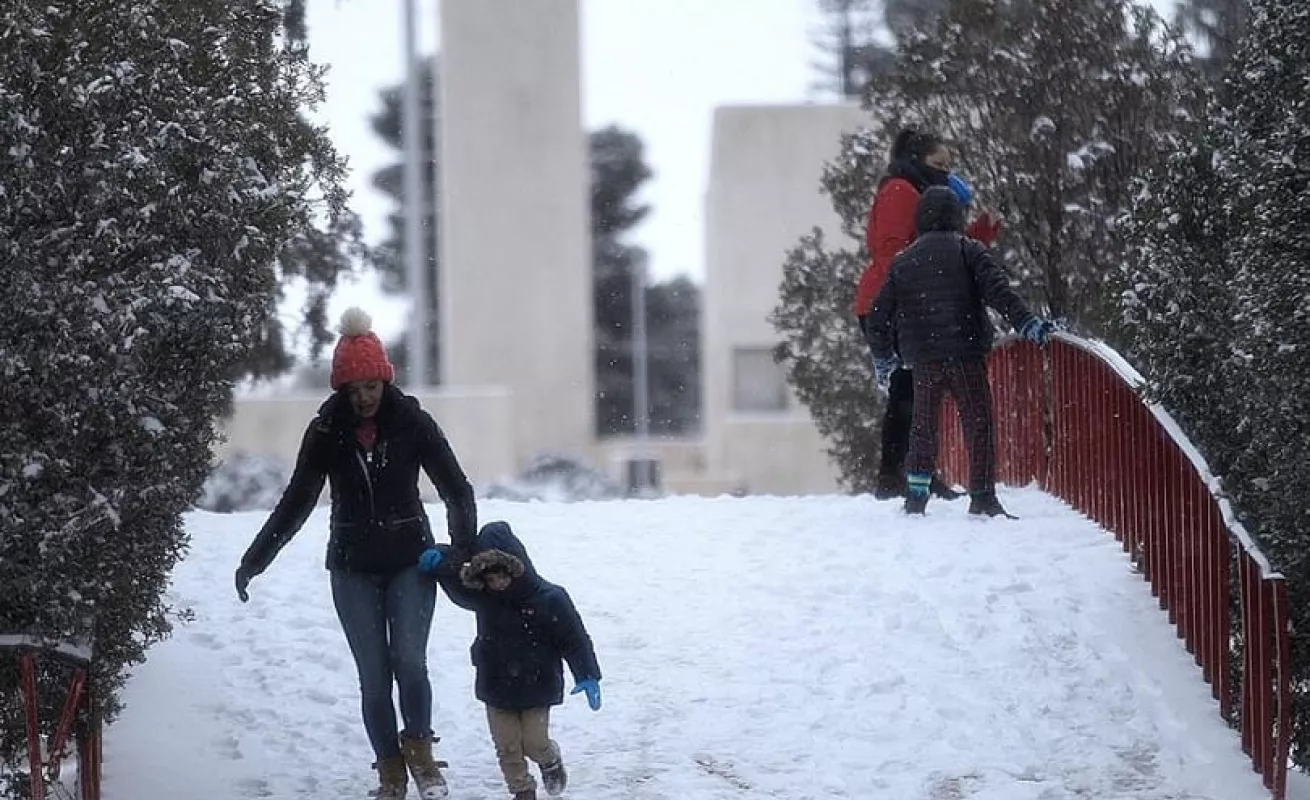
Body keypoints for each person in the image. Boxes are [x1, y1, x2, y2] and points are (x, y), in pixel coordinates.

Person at [233, 307, 478, 800]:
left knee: (409, 661)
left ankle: (423, 759)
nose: (364, 397)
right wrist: (256, 559)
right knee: (373, 677)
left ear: (384, 379)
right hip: (351, 568)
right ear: (341, 389)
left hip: (411, 560)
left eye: (371, 385)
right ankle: (390, 771)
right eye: (353, 388)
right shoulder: (326, 431)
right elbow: (297, 501)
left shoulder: (412, 422)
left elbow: (457, 490)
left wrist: (461, 553)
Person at [864, 186, 1053, 518]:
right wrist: (1027, 324)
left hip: (924, 358)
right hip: (965, 352)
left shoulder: (904, 262)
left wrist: (884, 360)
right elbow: (999, 293)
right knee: (977, 423)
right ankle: (982, 496)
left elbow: (878, 316)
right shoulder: (968, 250)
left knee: (923, 426)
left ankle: (917, 496)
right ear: (956, 216)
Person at [852, 127, 1003, 501]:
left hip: (904, 301)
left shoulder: (916, 191)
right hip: (890, 303)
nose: (946, 172)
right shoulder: (900, 191)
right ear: (917, 161)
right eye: (939, 164)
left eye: (948, 165)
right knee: (908, 390)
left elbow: (940, 251)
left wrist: (978, 232)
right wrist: (905, 299)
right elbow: (898, 253)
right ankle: (897, 474)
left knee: (914, 389)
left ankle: (913, 471)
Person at [418, 521, 601, 800]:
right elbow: (456, 575)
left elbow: (573, 638)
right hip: (496, 683)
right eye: (490, 579)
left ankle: (550, 759)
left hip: (537, 685)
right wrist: (440, 558)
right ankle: (522, 790)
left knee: (535, 743)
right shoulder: (484, 598)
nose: (498, 585)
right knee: (507, 746)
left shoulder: (550, 599)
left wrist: (587, 674)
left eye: (502, 576)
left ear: (517, 567)